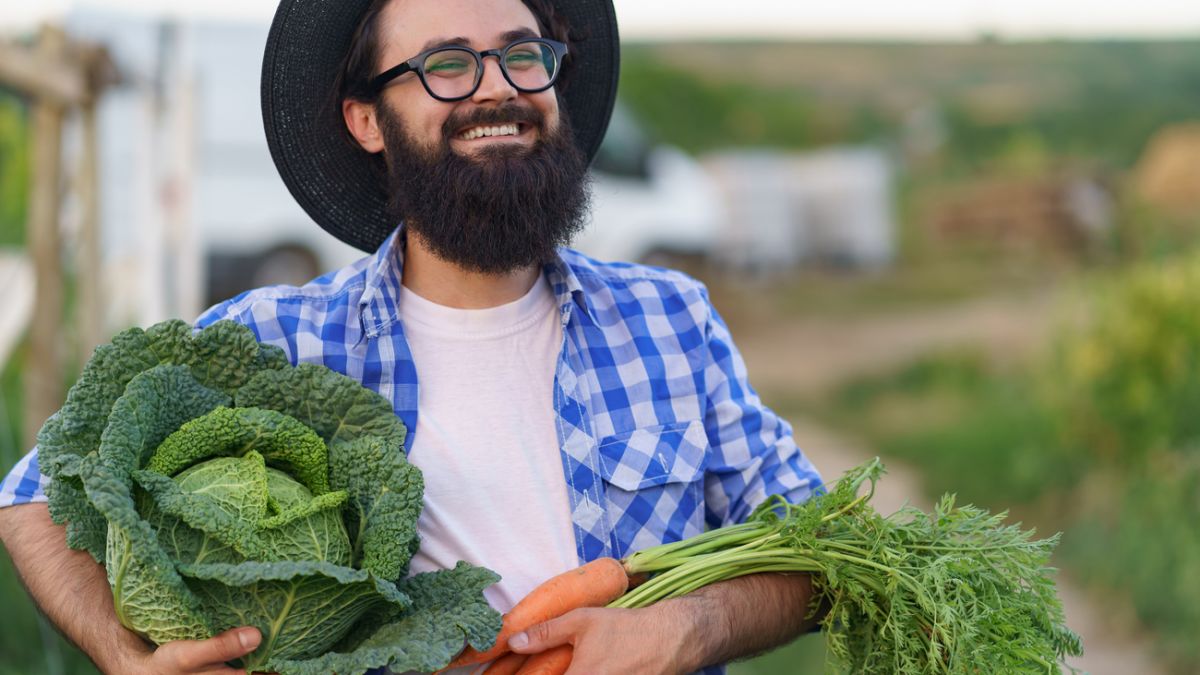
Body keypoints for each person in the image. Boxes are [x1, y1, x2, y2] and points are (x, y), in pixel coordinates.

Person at [0, 0, 824, 672]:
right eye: (446, 64)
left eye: (522, 53)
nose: (497, 90)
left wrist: (692, 627)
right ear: (366, 119)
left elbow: (817, 549)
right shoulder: (267, 343)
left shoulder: (671, 319)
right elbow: (28, 497)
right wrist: (122, 652)